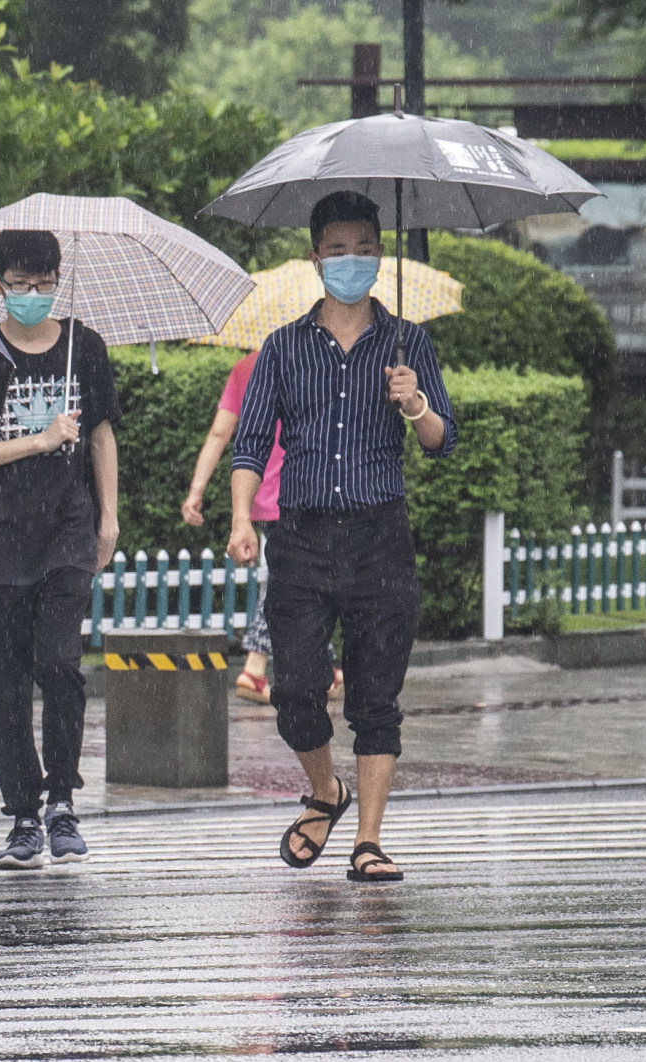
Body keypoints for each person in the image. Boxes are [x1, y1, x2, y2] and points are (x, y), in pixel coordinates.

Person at [229, 191, 456, 883]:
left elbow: (441, 439)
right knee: (295, 688)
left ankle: (369, 839)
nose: (350, 260)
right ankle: (325, 790)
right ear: (315, 257)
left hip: (379, 536)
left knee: (375, 697)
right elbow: (248, 444)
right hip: (299, 538)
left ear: (380, 254)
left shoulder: (407, 342)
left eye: (363, 247)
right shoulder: (283, 346)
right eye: (337, 249)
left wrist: (414, 403)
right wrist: (242, 518)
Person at [0, 229, 120, 871]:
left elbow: (100, 432)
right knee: (6, 684)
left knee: (59, 662)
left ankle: (61, 802)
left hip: (65, 532)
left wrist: (109, 518)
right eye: (21, 287)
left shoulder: (84, 349)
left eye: (45, 286)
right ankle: (22, 812)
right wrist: (36, 442)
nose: (34, 298)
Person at [182, 354, 343, 706]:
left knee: (305, 577)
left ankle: (326, 665)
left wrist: (197, 490)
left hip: (263, 491)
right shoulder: (317, 362)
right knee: (294, 579)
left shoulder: (245, 367)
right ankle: (255, 668)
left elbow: (220, 432)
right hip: (307, 489)